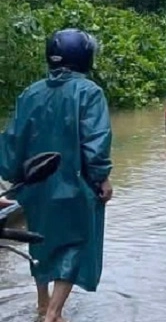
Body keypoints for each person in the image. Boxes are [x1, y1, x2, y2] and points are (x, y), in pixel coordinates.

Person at [0, 28, 113, 322]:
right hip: (75, 186)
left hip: (36, 186)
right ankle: (53, 314)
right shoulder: (90, 92)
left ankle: (42, 304)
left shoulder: (31, 93)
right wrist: (102, 178)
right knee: (75, 245)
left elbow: (12, 140)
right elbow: (96, 142)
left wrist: (15, 180)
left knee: (40, 241)